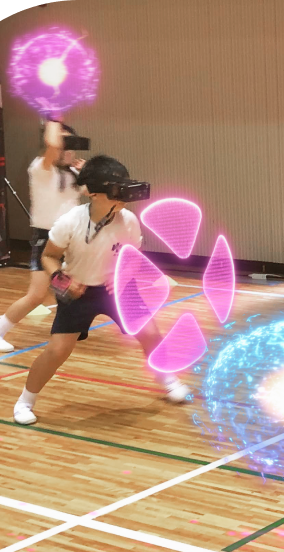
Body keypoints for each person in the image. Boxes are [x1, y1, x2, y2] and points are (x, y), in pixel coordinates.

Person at [13, 155, 190, 425]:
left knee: (150, 334)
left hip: (118, 289)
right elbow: (48, 257)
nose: (123, 198)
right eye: (116, 192)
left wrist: (124, 275)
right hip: (78, 291)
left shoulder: (129, 220)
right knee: (58, 351)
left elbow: (134, 256)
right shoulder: (70, 221)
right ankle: (25, 401)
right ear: (94, 193)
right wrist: (62, 281)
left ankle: (167, 379)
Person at [0, 119, 85, 352]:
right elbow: (52, 146)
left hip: (72, 240)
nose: (67, 149)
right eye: (63, 143)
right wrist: (53, 118)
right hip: (48, 240)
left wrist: (87, 174)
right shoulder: (41, 168)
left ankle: (71, 327)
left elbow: (90, 194)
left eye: (71, 144)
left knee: (72, 288)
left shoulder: (72, 173)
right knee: (37, 294)